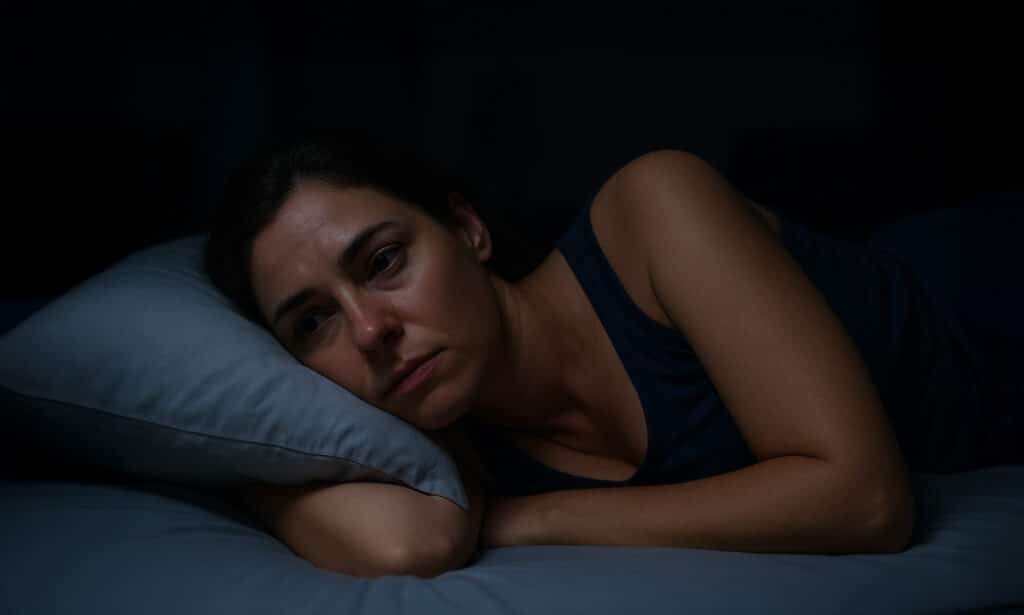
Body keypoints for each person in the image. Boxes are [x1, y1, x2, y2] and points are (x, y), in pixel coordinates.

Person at [203, 131, 1022, 578]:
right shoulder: (445, 449)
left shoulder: (652, 207)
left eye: (384, 262)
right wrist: (226, 463)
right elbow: (403, 548)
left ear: (468, 230)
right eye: (313, 323)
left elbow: (867, 501)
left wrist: (540, 518)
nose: (370, 330)